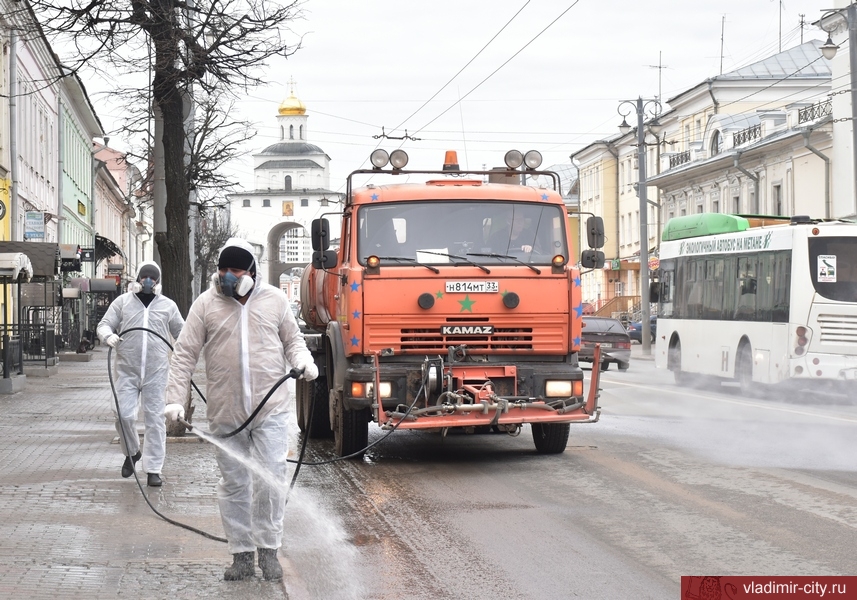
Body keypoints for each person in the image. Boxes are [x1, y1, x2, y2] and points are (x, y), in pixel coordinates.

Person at [162, 238, 318, 582]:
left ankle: (269, 550)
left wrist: (303, 361)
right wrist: (175, 398)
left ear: (251, 272)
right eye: (223, 269)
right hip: (226, 412)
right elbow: (184, 353)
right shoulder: (206, 305)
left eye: (235, 270)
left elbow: (292, 340)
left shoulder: (274, 300)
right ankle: (242, 555)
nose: (227, 276)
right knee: (234, 485)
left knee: (271, 480)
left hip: (271, 410)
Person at [97, 261, 184, 487]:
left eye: (152, 277)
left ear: (158, 281)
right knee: (122, 414)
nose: (147, 281)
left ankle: (154, 470)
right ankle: (132, 452)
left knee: (155, 421)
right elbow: (105, 324)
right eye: (144, 276)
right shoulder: (123, 303)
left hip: (157, 372)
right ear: (137, 278)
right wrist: (108, 336)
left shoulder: (168, 306)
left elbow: (182, 333)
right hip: (127, 370)